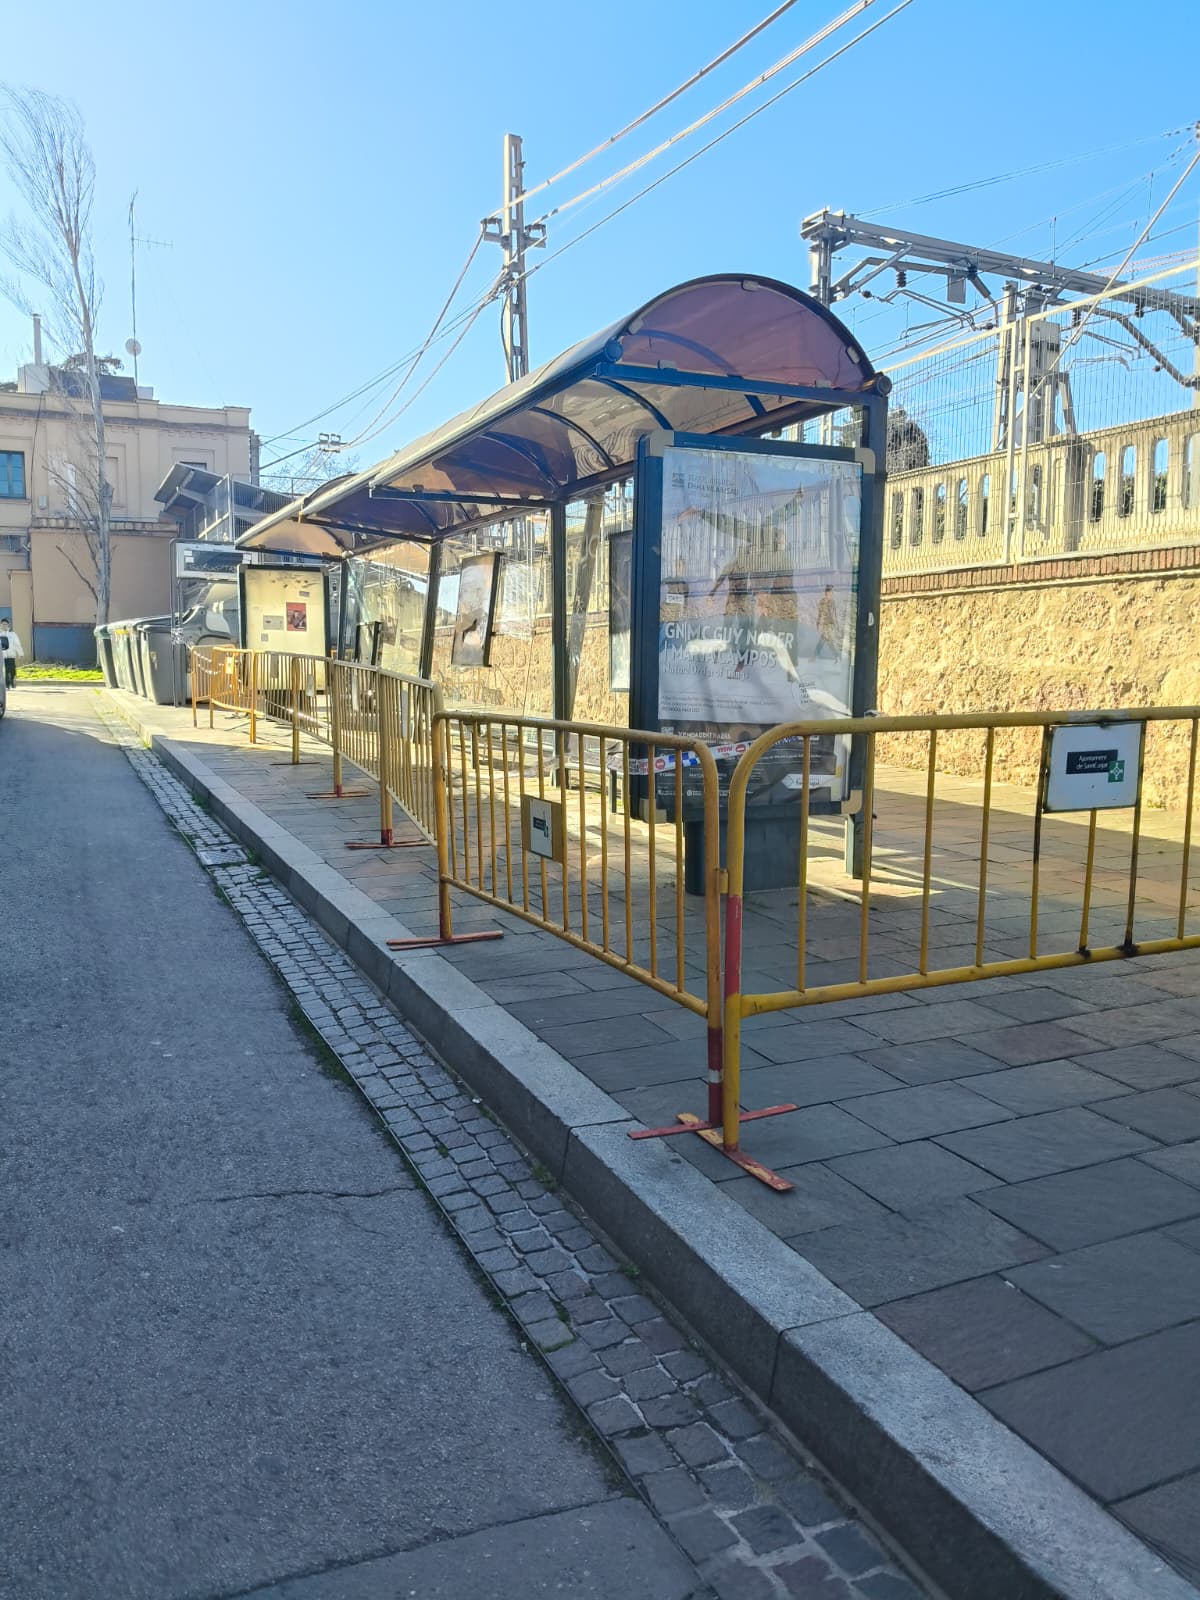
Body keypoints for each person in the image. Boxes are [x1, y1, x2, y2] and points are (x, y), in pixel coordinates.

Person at [2, 621, 24, 687]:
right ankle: (6, 684)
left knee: (12, 670)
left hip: (11, 656)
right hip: (3, 657)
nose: (4, 625)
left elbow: (17, 644)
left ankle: (12, 682)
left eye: (5, 624)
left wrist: (20, 654)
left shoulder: (13, 634)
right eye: (3, 624)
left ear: (8, 625)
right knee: (5, 670)